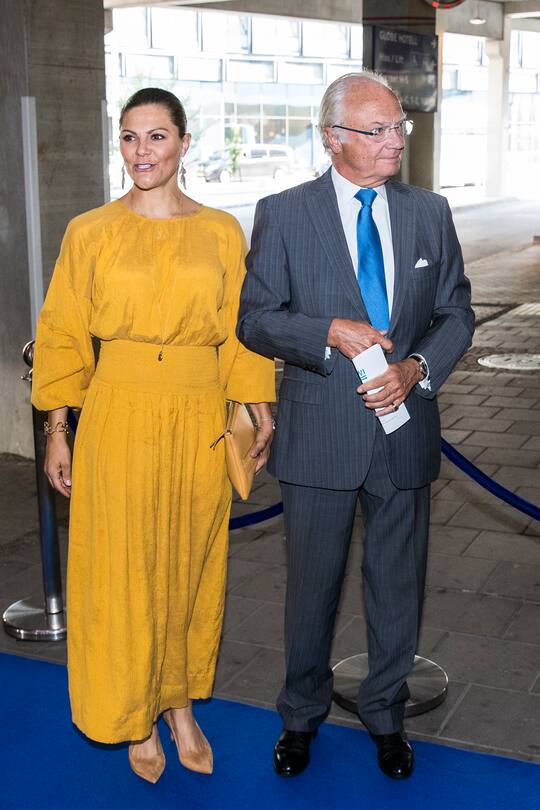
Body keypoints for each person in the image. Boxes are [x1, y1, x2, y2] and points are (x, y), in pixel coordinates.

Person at [31, 87, 275, 784]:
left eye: (157, 137)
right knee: (123, 568)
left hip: (198, 411)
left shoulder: (223, 231)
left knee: (191, 564)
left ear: (184, 143)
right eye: (131, 138)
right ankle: (135, 714)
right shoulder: (90, 231)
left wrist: (260, 408)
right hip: (117, 411)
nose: (143, 151)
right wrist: (57, 428)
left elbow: (239, 329)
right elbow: (63, 334)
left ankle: (180, 704)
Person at [237, 71, 474, 781]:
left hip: (405, 430)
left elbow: (456, 311)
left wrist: (418, 368)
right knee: (311, 587)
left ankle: (386, 716)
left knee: (398, 584)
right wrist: (325, 332)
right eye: (379, 130)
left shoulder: (430, 212)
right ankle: (300, 716)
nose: (396, 140)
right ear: (334, 138)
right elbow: (255, 319)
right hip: (320, 437)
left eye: (399, 126)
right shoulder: (283, 213)